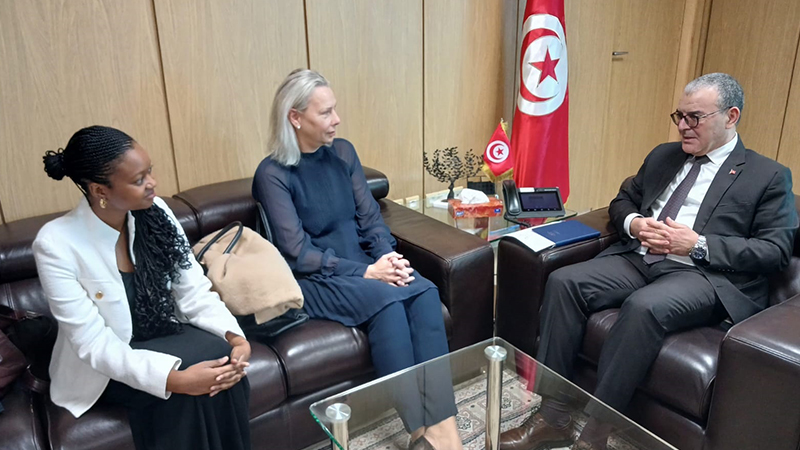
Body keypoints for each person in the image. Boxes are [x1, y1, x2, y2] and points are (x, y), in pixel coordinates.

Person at [500, 73, 798, 450]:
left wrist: (698, 244)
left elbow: (775, 250)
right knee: (564, 282)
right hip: (639, 258)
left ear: (731, 116)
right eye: (679, 116)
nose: (683, 126)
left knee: (644, 307)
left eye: (695, 118)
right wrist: (635, 223)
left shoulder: (767, 176)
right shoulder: (663, 156)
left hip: (702, 273)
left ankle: (595, 434)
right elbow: (623, 200)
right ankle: (553, 416)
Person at [252, 69, 463, 450]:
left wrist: (388, 257)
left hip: (366, 263)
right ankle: (419, 432)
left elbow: (370, 220)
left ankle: (445, 430)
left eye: (335, 109)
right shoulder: (272, 174)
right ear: (295, 118)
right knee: (387, 302)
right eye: (325, 113)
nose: (336, 119)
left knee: (425, 291)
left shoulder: (344, 153)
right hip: (316, 278)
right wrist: (367, 271)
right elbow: (298, 252)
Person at [33, 126, 252, 450]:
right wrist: (175, 380)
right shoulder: (55, 243)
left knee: (223, 361)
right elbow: (94, 344)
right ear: (99, 190)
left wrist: (236, 338)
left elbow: (193, 290)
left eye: (149, 171)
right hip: (105, 365)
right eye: (139, 180)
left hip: (159, 330)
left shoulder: (157, 212)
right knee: (179, 393)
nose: (153, 183)